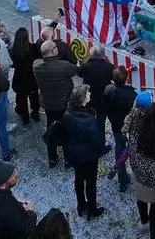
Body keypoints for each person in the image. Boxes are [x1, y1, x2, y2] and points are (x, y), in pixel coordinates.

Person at [49, 84, 105, 219]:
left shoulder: (67, 114)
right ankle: (92, 209)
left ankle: (81, 206)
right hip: (89, 157)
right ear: (82, 99)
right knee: (90, 183)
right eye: (87, 93)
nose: (90, 94)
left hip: (73, 154)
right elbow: (96, 143)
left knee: (79, 180)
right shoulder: (90, 121)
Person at [126, 94, 155, 239]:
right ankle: (154, 234)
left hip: (139, 176)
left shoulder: (135, 136)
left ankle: (144, 221)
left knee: (141, 199)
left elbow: (131, 153)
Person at [32, 39, 79, 167]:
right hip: (63, 103)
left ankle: (52, 158)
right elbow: (74, 70)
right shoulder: (63, 66)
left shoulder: (36, 65)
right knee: (67, 130)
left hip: (47, 104)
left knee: (50, 128)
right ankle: (68, 159)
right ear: (53, 51)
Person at [104, 65, 137, 193]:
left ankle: (122, 178)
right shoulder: (132, 94)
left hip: (116, 124)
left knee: (120, 147)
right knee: (128, 149)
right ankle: (128, 177)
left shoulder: (108, 89)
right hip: (129, 127)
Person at [79, 43, 114, 137]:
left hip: (89, 97)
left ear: (91, 54)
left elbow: (79, 73)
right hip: (103, 98)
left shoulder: (86, 66)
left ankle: (88, 136)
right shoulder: (110, 67)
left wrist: (87, 60)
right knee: (101, 121)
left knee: (88, 118)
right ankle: (100, 139)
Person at [9, 28, 41, 124]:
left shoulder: (12, 50)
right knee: (34, 96)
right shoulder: (33, 48)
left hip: (19, 77)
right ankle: (35, 114)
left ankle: (25, 116)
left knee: (21, 97)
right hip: (31, 76)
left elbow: (12, 64)